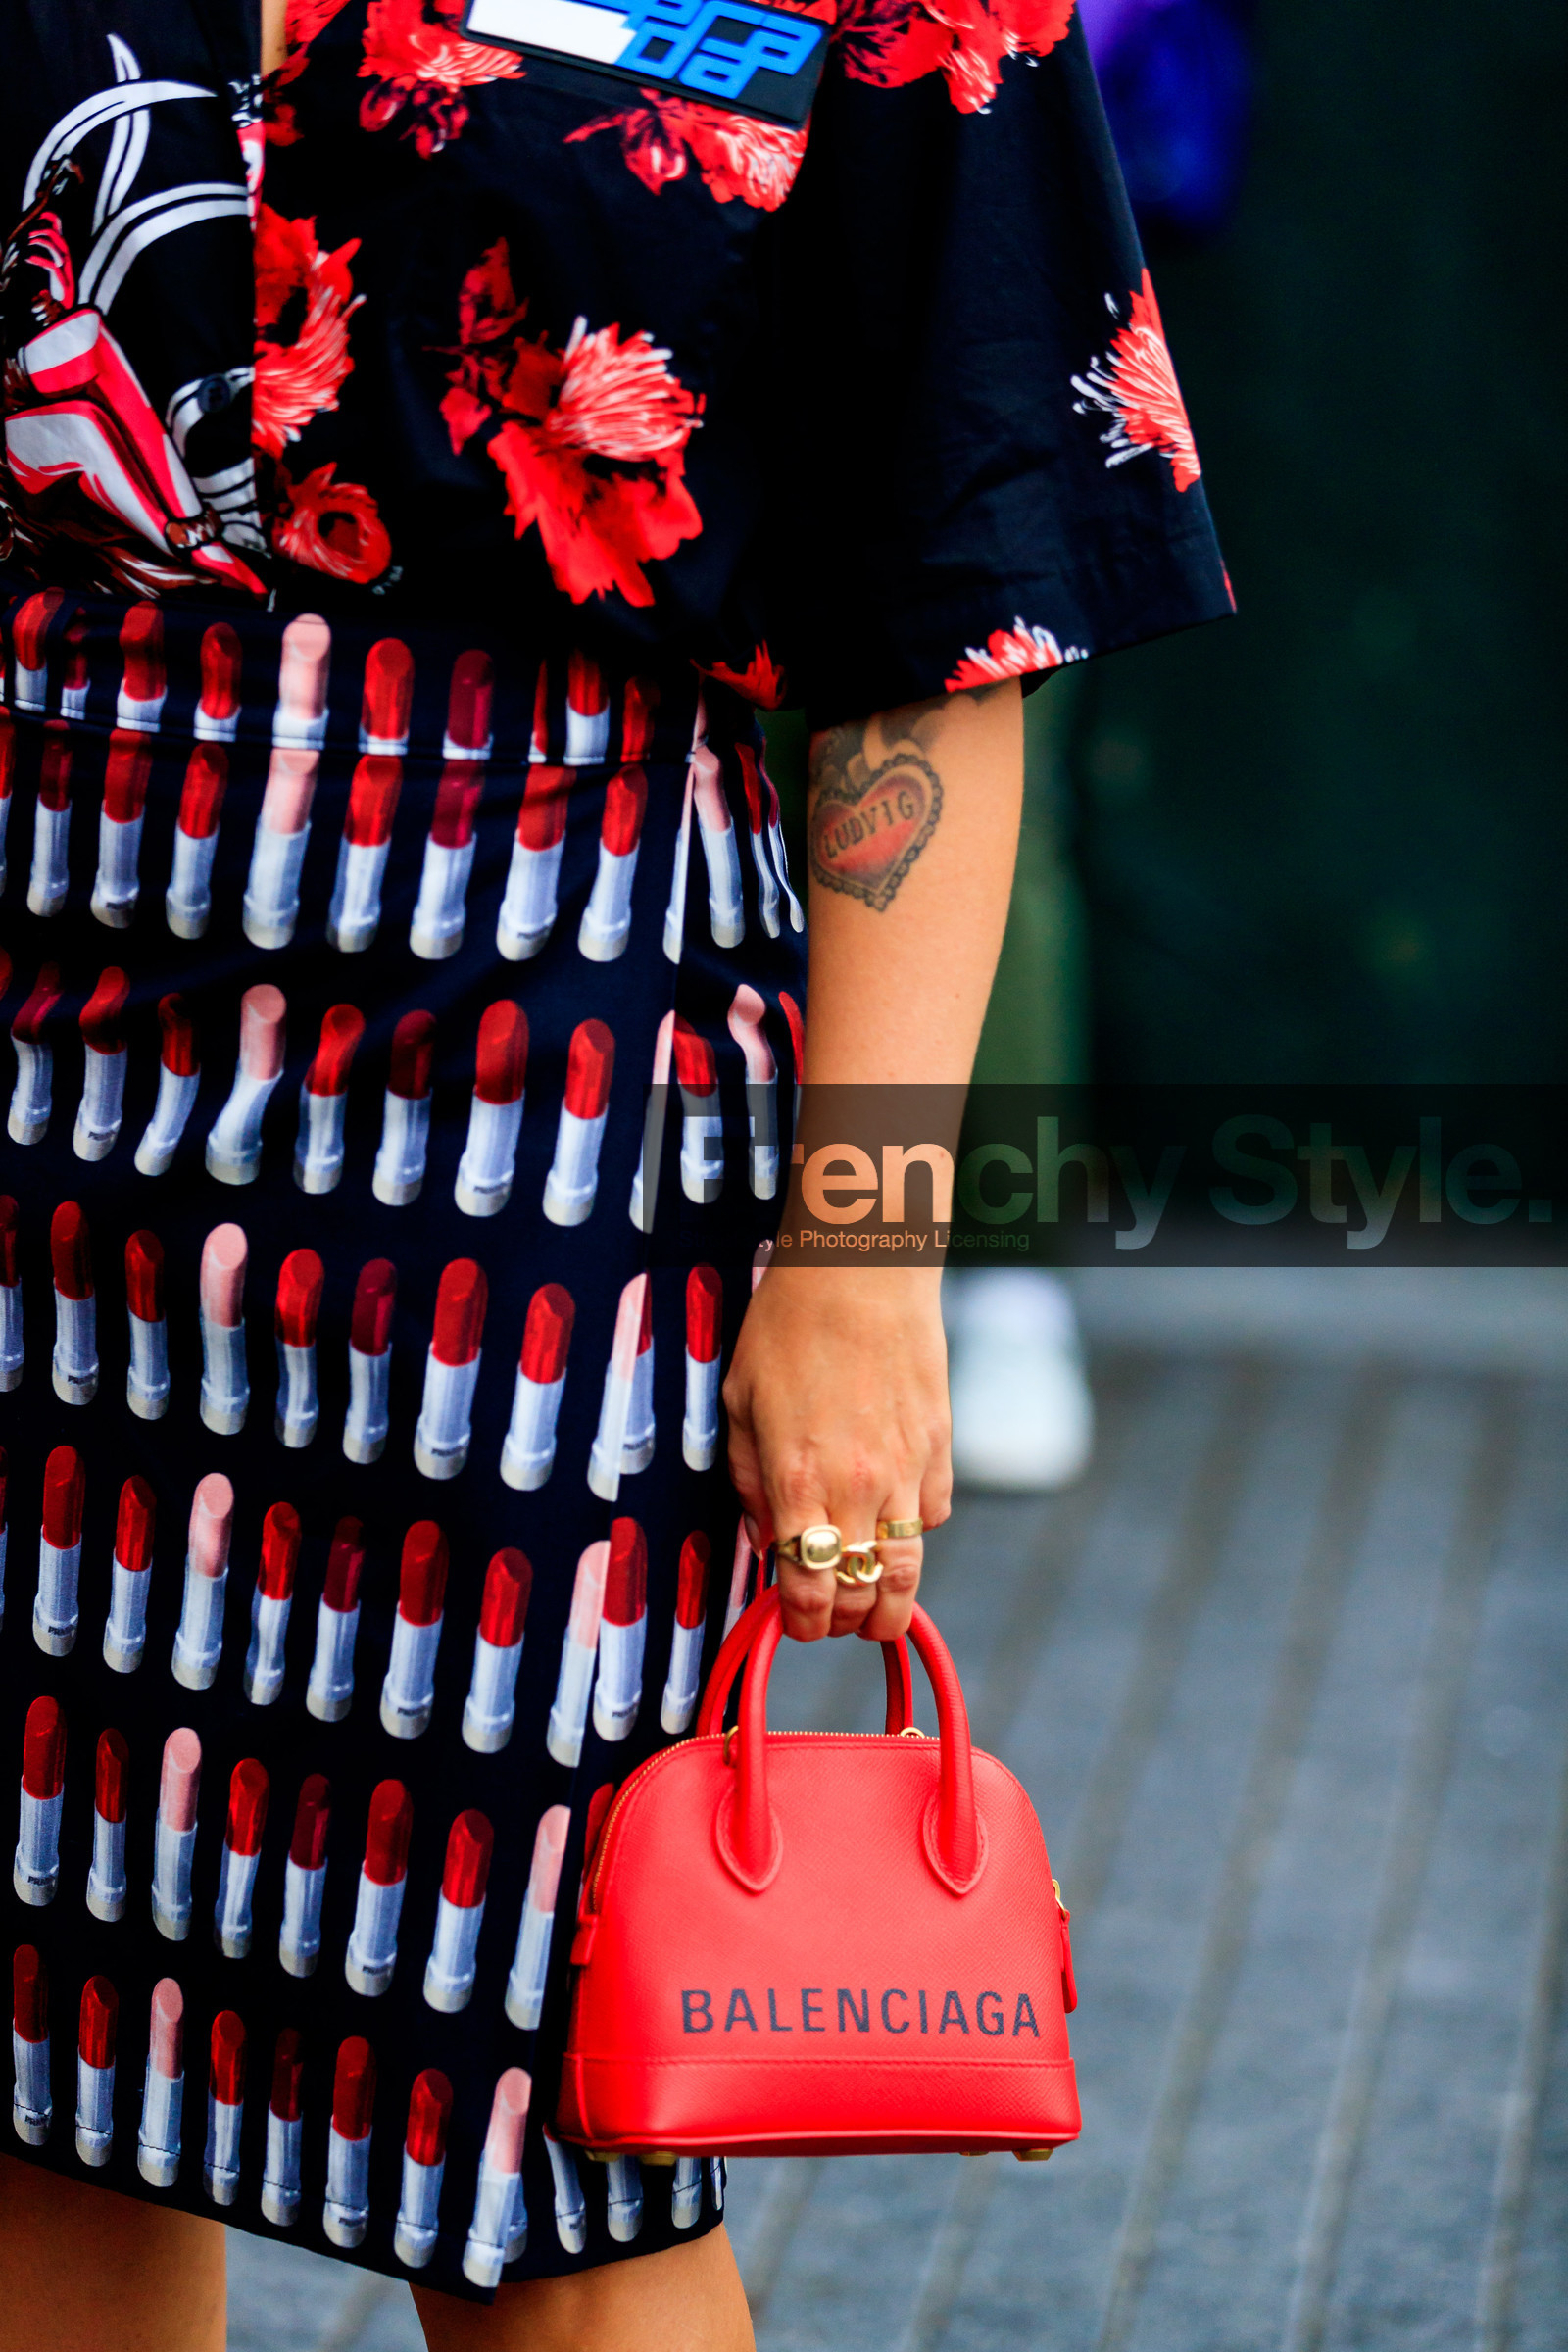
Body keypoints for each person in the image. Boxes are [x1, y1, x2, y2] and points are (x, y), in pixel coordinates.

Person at [0, 0, 1227, 2343]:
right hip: (43, 1062)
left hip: (548, 1108)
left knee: (549, 2142)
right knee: (43, 2071)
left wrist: (860, 1259)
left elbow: (950, 606)